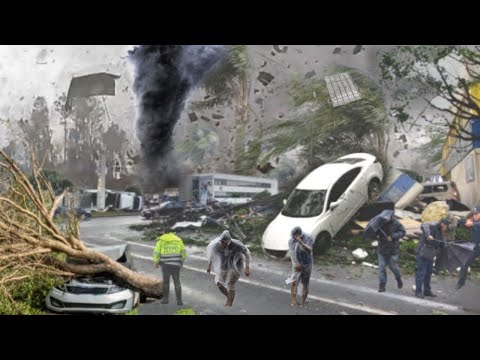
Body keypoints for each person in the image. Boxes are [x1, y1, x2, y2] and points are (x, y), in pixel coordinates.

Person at [365, 210, 406, 293]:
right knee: (382, 268)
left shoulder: (396, 223)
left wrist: (393, 236)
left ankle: (398, 279)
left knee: (393, 267)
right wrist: (374, 234)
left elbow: (403, 232)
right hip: (382, 249)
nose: (385, 220)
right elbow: (375, 235)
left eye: (387, 218)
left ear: (391, 217)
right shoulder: (379, 223)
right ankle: (382, 286)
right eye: (384, 219)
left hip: (393, 249)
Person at [206, 230, 251, 307]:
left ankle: (230, 303)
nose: (222, 244)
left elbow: (247, 254)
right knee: (219, 284)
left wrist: (247, 268)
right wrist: (209, 266)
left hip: (236, 266)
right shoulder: (216, 245)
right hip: (224, 265)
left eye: (225, 242)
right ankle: (228, 296)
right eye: (221, 242)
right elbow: (211, 255)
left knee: (230, 284)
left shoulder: (237, 245)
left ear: (229, 241)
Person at [415, 218, 449, 298]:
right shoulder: (432, 226)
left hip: (430, 254)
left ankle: (427, 291)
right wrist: (428, 235)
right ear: (442, 224)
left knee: (428, 273)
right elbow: (424, 225)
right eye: (446, 226)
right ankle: (418, 292)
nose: (446, 228)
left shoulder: (440, 232)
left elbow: (440, 244)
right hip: (422, 252)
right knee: (421, 273)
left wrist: (447, 245)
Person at [153, 232, 187, 305]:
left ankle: (165, 300)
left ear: (164, 232)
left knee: (166, 283)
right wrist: (181, 262)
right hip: (176, 265)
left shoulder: (161, 240)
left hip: (165, 265)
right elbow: (183, 252)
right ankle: (179, 301)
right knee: (177, 282)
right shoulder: (178, 239)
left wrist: (156, 262)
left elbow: (157, 252)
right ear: (173, 233)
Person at [286, 226, 314, 307]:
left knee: (305, 283)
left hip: (307, 263)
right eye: (294, 236)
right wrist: (296, 264)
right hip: (297, 264)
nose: (295, 238)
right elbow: (292, 253)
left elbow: (309, 250)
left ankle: (302, 302)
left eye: (297, 236)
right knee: (294, 282)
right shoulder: (291, 241)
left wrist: (301, 243)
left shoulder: (308, 237)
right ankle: (293, 301)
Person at [456, 207, 480, 290]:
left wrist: (472, 224)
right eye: (474, 214)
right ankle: (460, 283)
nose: (474, 216)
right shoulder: (474, 221)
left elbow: (475, 224)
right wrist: (458, 220)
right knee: (464, 263)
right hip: (475, 248)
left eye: (476, 214)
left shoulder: (476, 223)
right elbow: (465, 223)